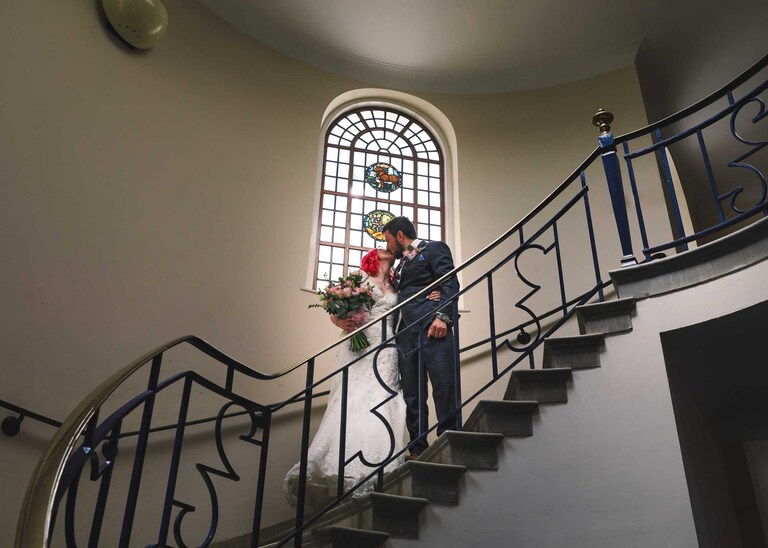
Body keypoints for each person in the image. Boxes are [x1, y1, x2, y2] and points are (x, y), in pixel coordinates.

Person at [284, 247, 407, 510]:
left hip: (387, 348)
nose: (389, 250)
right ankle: (346, 466)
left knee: (384, 399)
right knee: (354, 399)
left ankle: (380, 464)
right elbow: (334, 309)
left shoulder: (397, 282)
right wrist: (340, 323)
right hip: (359, 345)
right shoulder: (360, 278)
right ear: (374, 256)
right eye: (382, 248)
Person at [382, 216, 459, 461]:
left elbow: (449, 281)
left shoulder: (434, 248)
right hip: (406, 332)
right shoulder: (397, 267)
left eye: (388, 240)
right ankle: (417, 447)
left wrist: (443, 316)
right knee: (413, 392)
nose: (388, 247)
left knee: (444, 383)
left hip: (432, 324)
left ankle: (450, 439)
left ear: (400, 236)